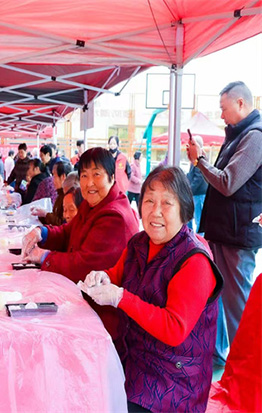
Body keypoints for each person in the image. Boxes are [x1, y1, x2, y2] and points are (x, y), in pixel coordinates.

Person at [81, 165, 223, 413]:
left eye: (166, 203)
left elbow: (174, 328)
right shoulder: (139, 242)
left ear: (184, 210)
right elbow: (118, 274)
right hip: (133, 359)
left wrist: (121, 297)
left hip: (173, 382)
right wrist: (102, 277)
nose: (155, 211)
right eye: (149, 201)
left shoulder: (195, 261)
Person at [186, 81, 262, 367]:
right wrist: (204, 160)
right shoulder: (238, 135)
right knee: (219, 297)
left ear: (241, 103)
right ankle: (221, 357)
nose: (221, 115)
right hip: (226, 230)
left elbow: (228, 182)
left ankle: (246, 368)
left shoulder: (254, 137)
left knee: (236, 305)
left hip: (237, 234)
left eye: (224, 108)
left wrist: (200, 161)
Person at [21, 147, 138, 292]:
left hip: (101, 301)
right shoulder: (92, 204)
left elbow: (85, 265)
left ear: (112, 177)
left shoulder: (115, 216)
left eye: (96, 174)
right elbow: (67, 232)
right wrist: (42, 233)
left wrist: (45, 257)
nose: (89, 183)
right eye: (84, 176)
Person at [186, 136, 208, 233]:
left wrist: (189, 190)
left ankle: (199, 238)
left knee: (199, 218)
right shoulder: (196, 158)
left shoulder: (200, 158)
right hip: (197, 193)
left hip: (199, 193)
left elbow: (198, 178)